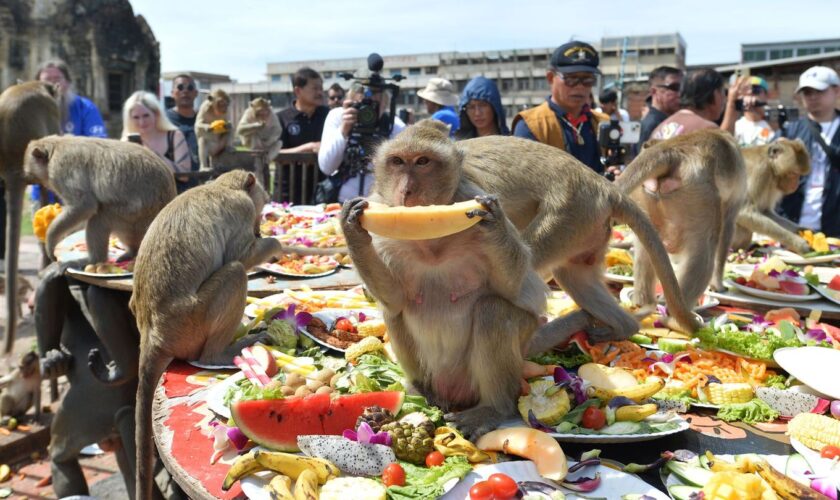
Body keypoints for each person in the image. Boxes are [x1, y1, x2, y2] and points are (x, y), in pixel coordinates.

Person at [512, 41, 609, 174]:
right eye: (571, 79)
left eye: (587, 79)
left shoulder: (603, 122)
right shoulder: (531, 125)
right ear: (551, 78)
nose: (580, 86)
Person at [31, 59, 108, 208]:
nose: (53, 85)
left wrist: (64, 142)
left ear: (68, 82)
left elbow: (100, 146)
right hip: (43, 191)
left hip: (80, 190)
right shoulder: (31, 112)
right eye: (47, 80)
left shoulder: (85, 108)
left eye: (58, 79)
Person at [318, 82, 406, 203]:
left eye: (375, 92)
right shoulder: (338, 116)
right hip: (340, 202)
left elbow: (402, 174)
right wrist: (343, 130)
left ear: (385, 100)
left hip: (377, 204)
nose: (368, 97)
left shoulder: (394, 125)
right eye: (362, 92)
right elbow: (327, 167)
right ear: (352, 98)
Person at [778, 66, 840, 236]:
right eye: (807, 92)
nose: (812, 97)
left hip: (835, 228)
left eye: (819, 91)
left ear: (837, 91)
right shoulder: (790, 130)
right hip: (793, 227)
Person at [651, 69, 749, 141]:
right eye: (723, 93)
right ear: (714, 94)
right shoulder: (707, 130)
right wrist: (732, 103)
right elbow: (726, 151)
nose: (724, 99)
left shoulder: (659, 129)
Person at [121, 91, 191, 185]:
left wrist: (151, 153)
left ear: (156, 114)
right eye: (136, 117)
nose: (142, 122)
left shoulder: (174, 136)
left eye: (146, 116)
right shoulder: (125, 143)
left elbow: (184, 176)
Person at [277, 67, 329, 154]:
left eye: (321, 88)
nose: (320, 93)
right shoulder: (280, 119)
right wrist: (308, 148)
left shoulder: (329, 115)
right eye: (315, 88)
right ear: (298, 91)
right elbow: (274, 153)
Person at [165, 74, 200, 189]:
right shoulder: (163, 120)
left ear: (196, 93)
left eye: (190, 88)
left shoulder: (204, 120)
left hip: (204, 184)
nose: (185, 91)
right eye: (180, 87)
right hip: (173, 187)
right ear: (172, 93)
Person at [637, 66, 683, 147]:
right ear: (654, 91)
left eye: (682, 88)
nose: (680, 94)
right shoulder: (652, 125)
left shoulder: (669, 121)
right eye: (675, 87)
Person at [734, 76, 774, 147]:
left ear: (766, 95)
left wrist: (758, 108)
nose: (750, 93)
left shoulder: (772, 124)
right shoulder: (736, 126)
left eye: (756, 90)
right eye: (746, 90)